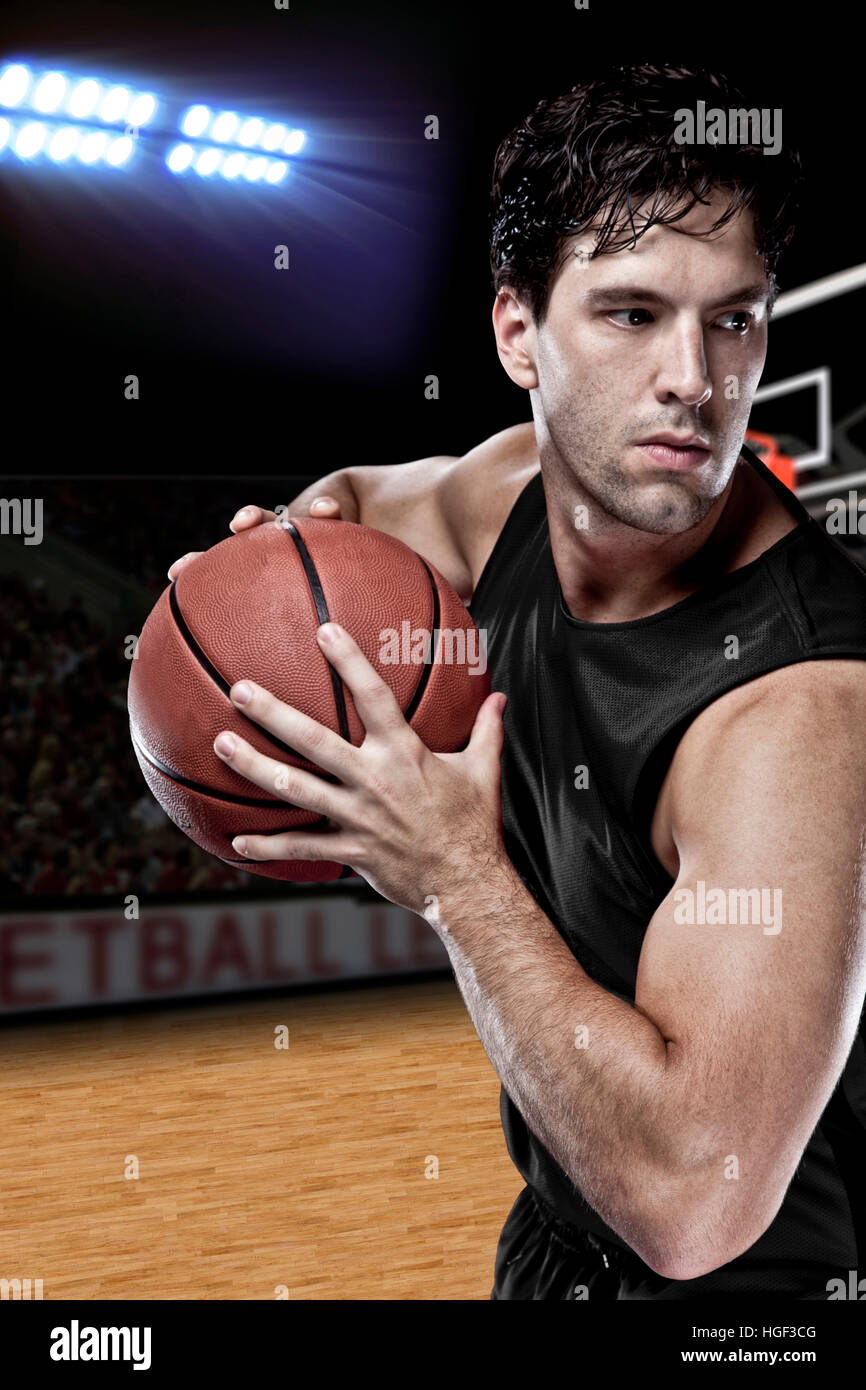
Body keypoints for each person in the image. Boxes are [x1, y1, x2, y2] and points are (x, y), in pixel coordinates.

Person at [168, 64, 866, 1298]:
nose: (693, 379)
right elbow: (354, 501)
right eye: (631, 314)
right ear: (514, 336)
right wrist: (274, 557)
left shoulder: (798, 709)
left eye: (732, 320)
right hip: (556, 1238)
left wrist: (452, 877)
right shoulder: (501, 500)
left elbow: (691, 1204)